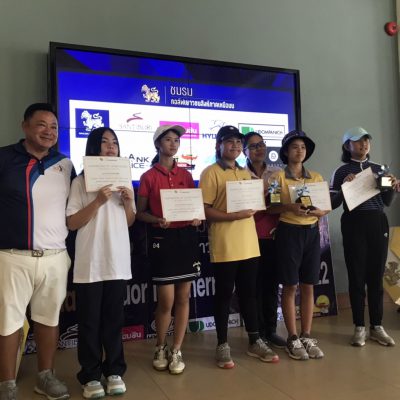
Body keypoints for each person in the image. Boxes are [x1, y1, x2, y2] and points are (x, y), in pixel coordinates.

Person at [0, 103, 75, 400]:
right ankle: (6, 383)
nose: (49, 131)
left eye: (54, 126)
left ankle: (45, 376)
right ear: (25, 126)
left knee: (49, 319)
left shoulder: (65, 164)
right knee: (8, 322)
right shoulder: (5, 158)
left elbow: (75, 206)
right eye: (42, 124)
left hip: (55, 257)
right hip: (11, 257)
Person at [199, 125, 279, 369]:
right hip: (224, 242)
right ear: (219, 145)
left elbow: (257, 205)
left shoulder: (246, 174)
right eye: (229, 141)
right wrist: (232, 216)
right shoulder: (210, 173)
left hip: (249, 243)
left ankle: (255, 341)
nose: (234, 146)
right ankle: (222, 344)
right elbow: (205, 210)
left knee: (249, 294)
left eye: (237, 142)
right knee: (224, 295)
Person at [66, 127, 136, 398]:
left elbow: (129, 221)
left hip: (117, 261)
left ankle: (115, 371)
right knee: (89, 323)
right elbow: (72, 222)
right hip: (90, 263)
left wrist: (128, 203)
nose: (110, 147)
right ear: (94, 147)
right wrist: (97, 201)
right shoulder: (80, 182)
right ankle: (91, 375)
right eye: (104, 142)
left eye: (114, 142)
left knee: (113, 321)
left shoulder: (124, 182)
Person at [136, 125, 201, 375]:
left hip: (186, 239)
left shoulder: (186, 175)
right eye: (168, 140)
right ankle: (160, 346)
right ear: (157, 144)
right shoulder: (148, 176)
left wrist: (196, 217)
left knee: (183, 297)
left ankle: (176, 349)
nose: (173, 144)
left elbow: (194, 208)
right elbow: (140, 213)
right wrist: (157, 220)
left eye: (176, 140)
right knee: (166, 300)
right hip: (163, 239)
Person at [330, 127, 397, 347]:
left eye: (367, 140)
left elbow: (387, 202)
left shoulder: (379, 169)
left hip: (377, 222)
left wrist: (393, 188)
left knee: (376, 276)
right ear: (347, 145)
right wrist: (344, 187)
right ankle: (359, 326)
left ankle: (376, 326)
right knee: (357, 275)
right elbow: (332, 203)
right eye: (358, 141)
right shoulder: (341, 171)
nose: (364, 144)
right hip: (354, 223)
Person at [269, 130, 329, 361]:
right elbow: (271, 207)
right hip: (289, 232)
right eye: (294, 147)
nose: (299, 151)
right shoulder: (277, 178)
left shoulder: (316, 177)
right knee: (290, 285)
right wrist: (289, 207)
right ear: (286, 151)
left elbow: (325, 207)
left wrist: (320, 211)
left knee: (308, 284)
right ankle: (292, 337)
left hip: (312, 232)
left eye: (303, 147)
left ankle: (306, 335)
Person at [243, 132, 286, 349]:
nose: (259, 149)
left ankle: (271, 330)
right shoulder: (240, 175)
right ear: (245, 152)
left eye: (261, 144)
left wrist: (272, 200)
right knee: (253, 287)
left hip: (272, 236)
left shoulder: (277, 174)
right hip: (248, 237)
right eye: (253, 146)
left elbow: (278, 204)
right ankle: (256, 333)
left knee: (270, 285)